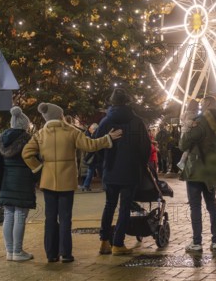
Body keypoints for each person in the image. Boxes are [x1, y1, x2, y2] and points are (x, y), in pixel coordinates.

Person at [22, 102, 122, 263]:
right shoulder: (71, 131)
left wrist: (39, 168)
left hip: (47, 181)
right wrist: (107, 138)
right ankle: (66, 254)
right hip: (66, 181)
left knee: (50, 218)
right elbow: (90, 145)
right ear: (60, 116)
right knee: (66, 218)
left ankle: (51, 254)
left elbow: (26, 153)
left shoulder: (40, 134)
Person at [95, 88, 151, 256]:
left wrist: (105, 160)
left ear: (112, 102)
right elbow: (145, 147)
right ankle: (118, 243)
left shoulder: (105, 121)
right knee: (124, 207)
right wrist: (141, 163)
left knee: (109, 205)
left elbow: (96, 144)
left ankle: (104, 241)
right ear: (128, 101)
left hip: (111, 170)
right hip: (131, 170)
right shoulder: (137, 121)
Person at [179, 96, 216, 253]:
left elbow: (183, 144)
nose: (201, 105)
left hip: (196, 170)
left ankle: (197, 242)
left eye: (203, 103)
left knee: (195, 206)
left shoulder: (202, 121)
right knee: (212, 204)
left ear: (209, 104)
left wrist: (186, 129)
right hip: (213, 169)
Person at [0, 106, 36, 262]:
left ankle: (9, 251)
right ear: (24, 124)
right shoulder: (28, 139)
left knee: (8, 215)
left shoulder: (2, 139)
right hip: (23, 181)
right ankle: (18, 251)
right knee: (20, 215)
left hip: (6, 181)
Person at [81, 123, 102, 192]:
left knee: (90, 172)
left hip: (93, 158)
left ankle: (86, 186)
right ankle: (86, 185)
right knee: (100, 172)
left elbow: (91, 149)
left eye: (91, 129)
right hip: (97, 157)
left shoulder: (93, 135)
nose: (90, 130)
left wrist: (86, 158)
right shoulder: (97, 135)